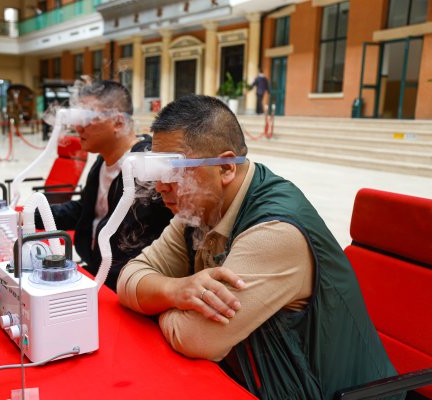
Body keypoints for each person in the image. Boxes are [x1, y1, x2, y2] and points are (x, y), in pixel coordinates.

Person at [117, 95, 399, 399]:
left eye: (174, 170)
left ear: (226, 167)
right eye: (157, 170)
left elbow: (196, 338)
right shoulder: (198, 209)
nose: (161, 186)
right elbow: (128, 277)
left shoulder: (276, 231)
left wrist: (156, 300)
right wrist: (175, 290)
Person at [36, 80, 173, 291]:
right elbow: (84, 210)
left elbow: (140, 242)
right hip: (96, 271)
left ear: (117, 122)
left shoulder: (145, 166)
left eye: (86, 118)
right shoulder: (103, 160)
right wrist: (32, 215)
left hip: (124, 284)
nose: (78, 127)